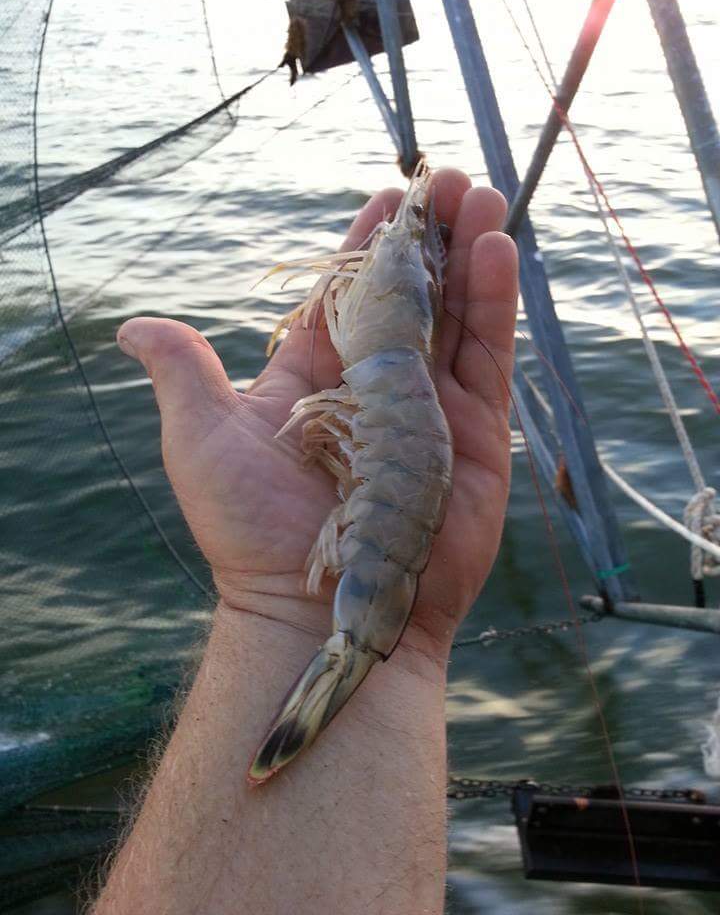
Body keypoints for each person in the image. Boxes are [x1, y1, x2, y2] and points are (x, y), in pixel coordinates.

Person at [94, 168, 518, 914]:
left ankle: (343, 660)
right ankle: (348, 656)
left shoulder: (391, 344)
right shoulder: (401, 340)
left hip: (392, 471)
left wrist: (272, 610)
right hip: (392, 460)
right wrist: (279, 609)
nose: (403, 231)